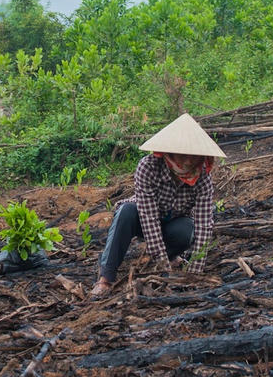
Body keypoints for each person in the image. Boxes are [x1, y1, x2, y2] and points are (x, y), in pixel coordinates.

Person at [91, 113, 227, 297]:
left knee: (187, 230)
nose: (188, 162)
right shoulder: (148, 167)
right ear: (169, 152)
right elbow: (148, 219)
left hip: (173, 222)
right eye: (183, 155)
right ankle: (106, 278)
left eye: (193, 156)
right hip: (142, 219)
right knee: (126, 212)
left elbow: (204, 224)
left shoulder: (202, 177)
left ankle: (168, 256)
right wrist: (163, 268)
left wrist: (195, 270)